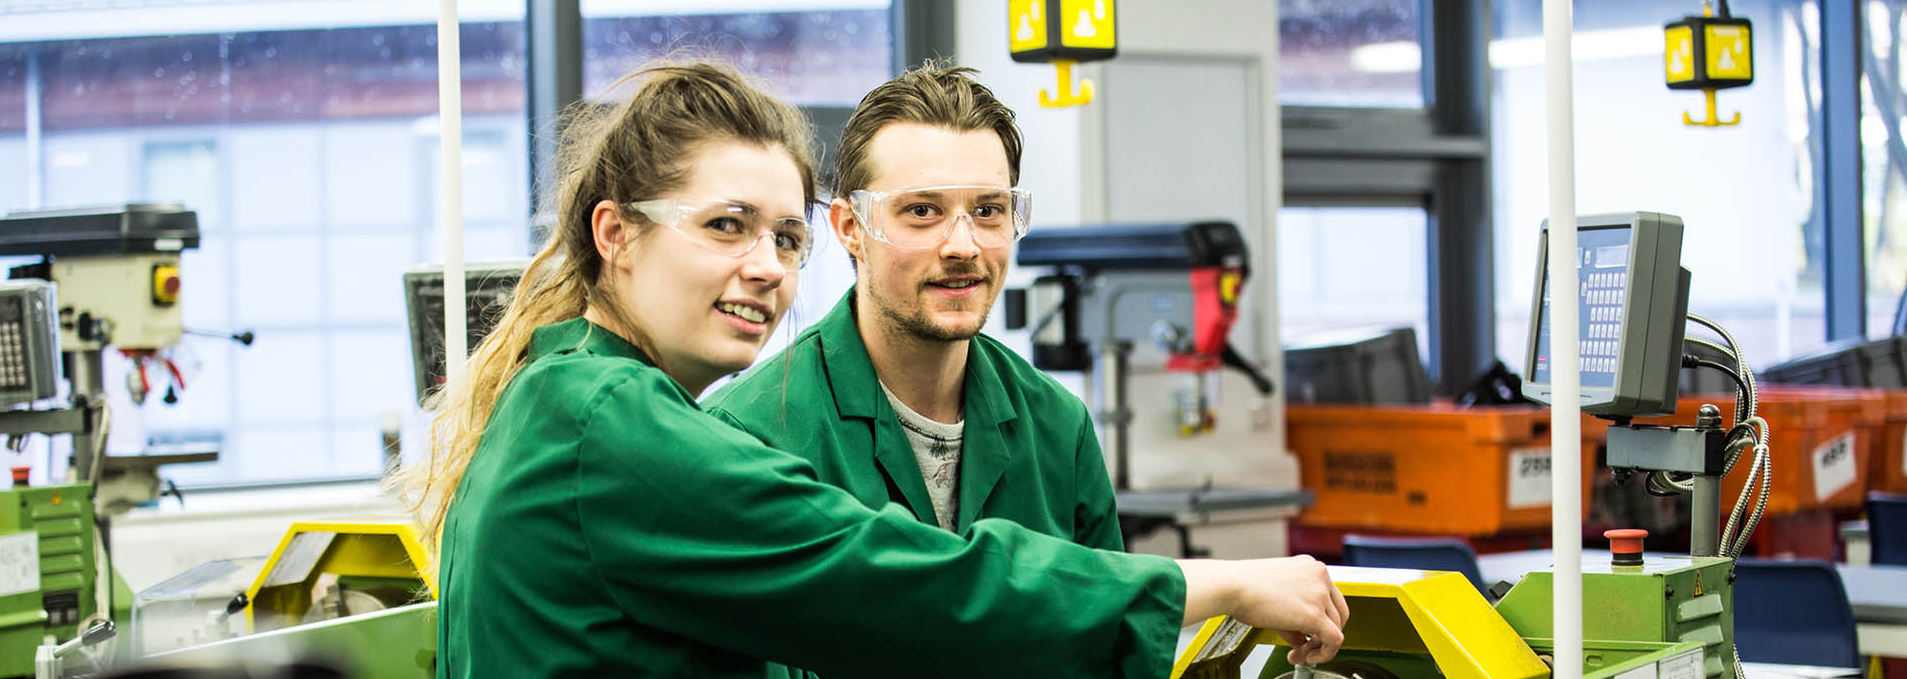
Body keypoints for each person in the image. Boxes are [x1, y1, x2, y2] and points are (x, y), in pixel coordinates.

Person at [393, 62, 1348, 679]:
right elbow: (892, 581)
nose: (766, 266)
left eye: (783, 235)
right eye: (725, 225)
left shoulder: (570, 397)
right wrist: (1206, 585)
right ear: (617, 234)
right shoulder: (620, 422)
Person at [705, 64, 1119, 553]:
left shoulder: (1055, 423)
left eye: (988, 211)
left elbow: (1109, 618)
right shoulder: (751, 435)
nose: (963, 246)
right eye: (923, 211)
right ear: (849, 227)